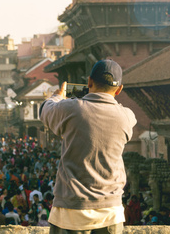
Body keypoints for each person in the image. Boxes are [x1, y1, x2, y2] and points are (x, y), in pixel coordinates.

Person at [40, 59, 137, 233]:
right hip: (110, 211)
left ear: (89, 81)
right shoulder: (127, 117)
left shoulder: (70, 108)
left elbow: (44, 110)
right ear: (119, 89)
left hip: (71, 210)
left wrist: (57, 96)